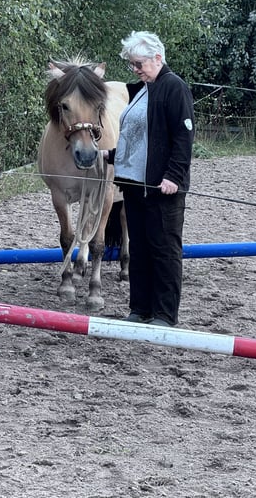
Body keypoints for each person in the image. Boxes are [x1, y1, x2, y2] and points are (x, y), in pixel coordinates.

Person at [102, 31, 195, 327]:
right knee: (139, 248)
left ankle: (165, 314)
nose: (136, 69)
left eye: (139, 63)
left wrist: (174, 176)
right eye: (132, 65)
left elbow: (183, 136)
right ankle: (139, 308)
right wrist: (112, 155)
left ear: (157, 57)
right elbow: (139, 135)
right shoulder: (143, 89)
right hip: (133, 184)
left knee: (164, 249)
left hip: (162, 187)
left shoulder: (174, 87)